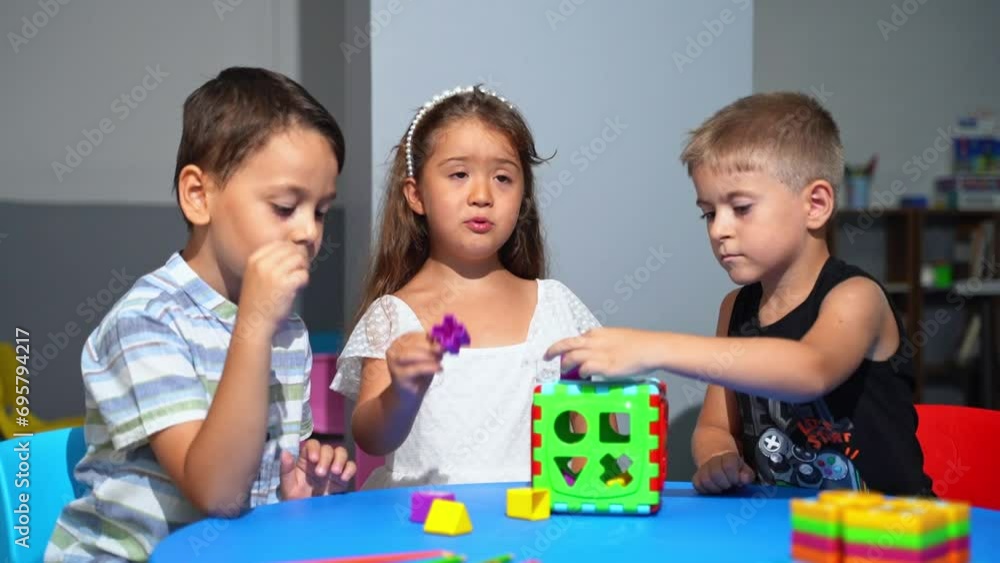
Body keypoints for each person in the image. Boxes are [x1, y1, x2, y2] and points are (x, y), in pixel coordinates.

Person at [545, 92, 933, 496]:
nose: (718, 230)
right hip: (786, 534)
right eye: (709, 213)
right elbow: (715, 426)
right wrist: (718, 457)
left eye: (741, 208)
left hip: (895, 540)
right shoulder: (735, 309)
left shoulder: (856, 297)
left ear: (815, 204)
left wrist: (652, 347)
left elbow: (810, 371)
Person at [46, 67, 356, 562]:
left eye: (319, 211)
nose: (308, 233)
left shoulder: (288, 332)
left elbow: (263, 493)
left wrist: (303, 487)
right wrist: (253, 325)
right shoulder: (146, 323)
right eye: (283, 206)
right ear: (198, 196)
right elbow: (218, 493)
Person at [332, 86, 599, 489]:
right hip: (424, 531)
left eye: (503, 178)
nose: (482, 196)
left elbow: (590, 426)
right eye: (459, 174)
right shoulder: (393, 315)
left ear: (523, 197)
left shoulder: (556, 306)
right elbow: (370, 436)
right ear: (416, 194)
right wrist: (401, 394)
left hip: (532, 530)